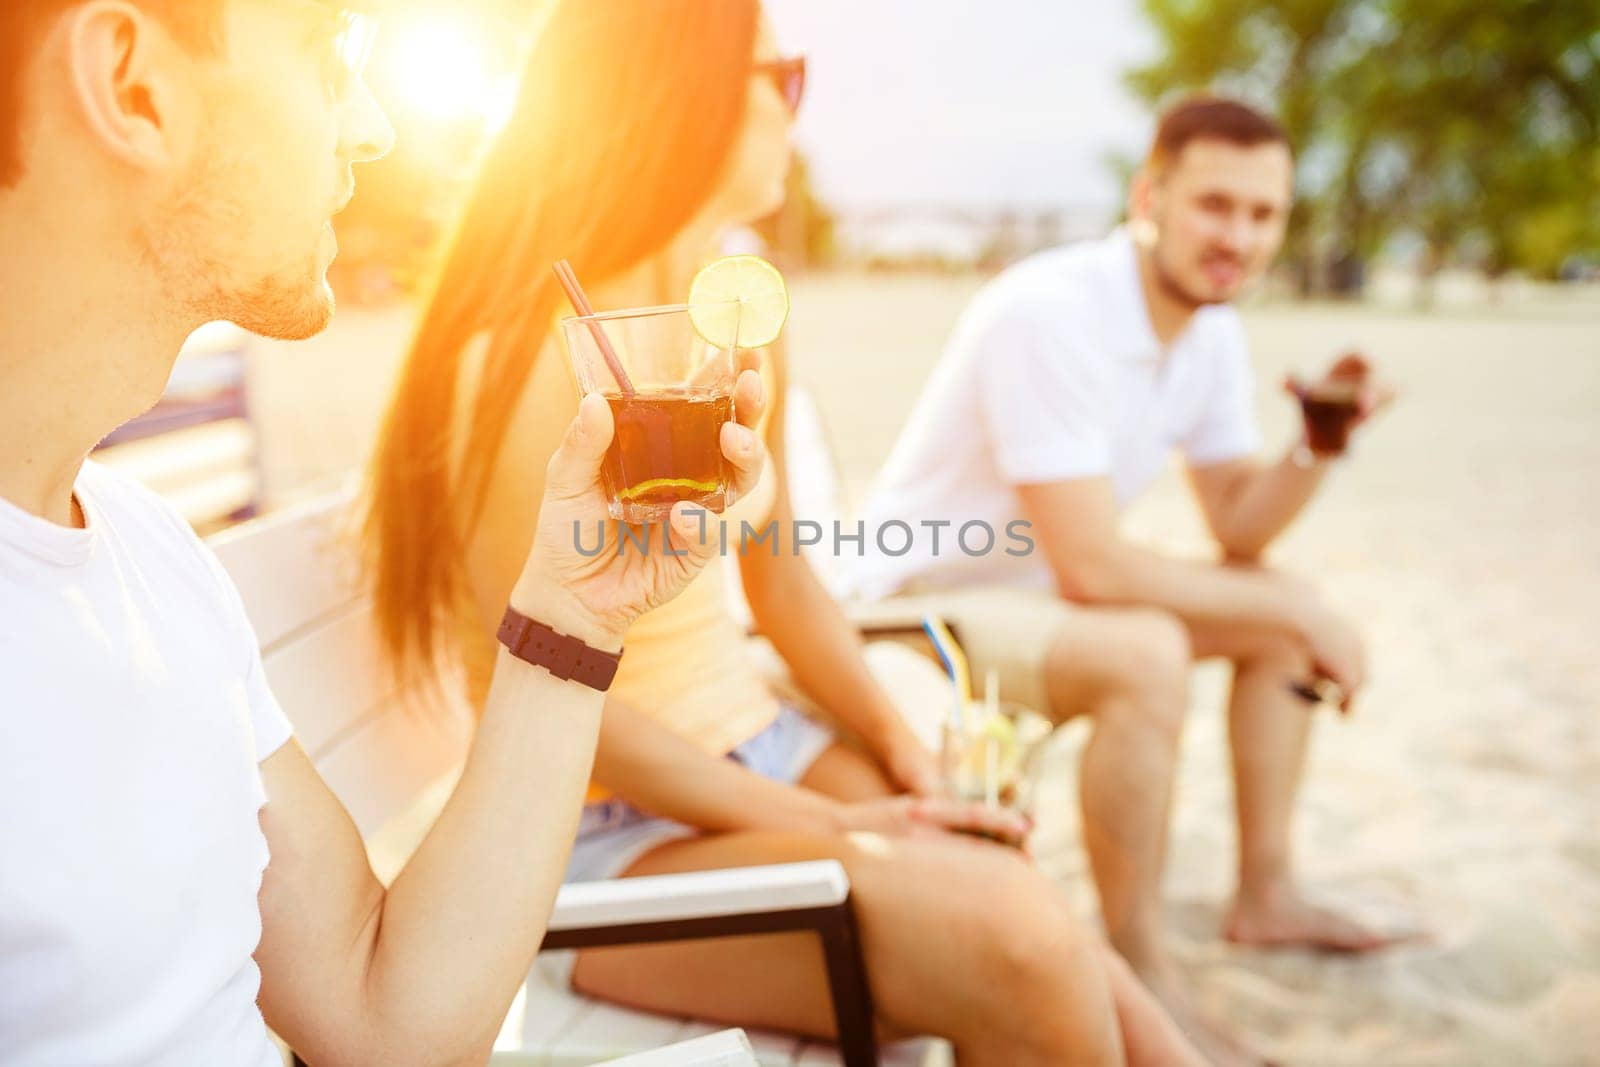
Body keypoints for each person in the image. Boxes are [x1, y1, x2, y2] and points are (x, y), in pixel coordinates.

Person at [364, 2, 1205, 1063]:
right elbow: (547, 689)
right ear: (689, 96)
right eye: (785, 76)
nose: (797, 114)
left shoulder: (736, 312)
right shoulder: (534, 353)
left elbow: (782, 577)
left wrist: (895, 747)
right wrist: (833, 824)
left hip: (763, 742)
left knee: (1013, 882)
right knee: (1021, 942)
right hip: (601, 823)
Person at [0, 1, 769, 1063]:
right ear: (136, 87)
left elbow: (382, 1011)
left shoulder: (146, 551)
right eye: (328, 54)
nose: (372, 128)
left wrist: (574, 611)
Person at [851, 95, 1404, 1062]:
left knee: (1278, 628)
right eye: (1215, 206)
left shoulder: (1210, 329)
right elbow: (1094, 563)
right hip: (908, 613)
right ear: (1150, 196)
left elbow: (1237, 519)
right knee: (1155, 648)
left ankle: (1265, 892)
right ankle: (1140, 958)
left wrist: (1320, 441)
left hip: (1030, 603)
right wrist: (1304, 604)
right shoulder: (1051, 311)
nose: (1239, 236)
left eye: (1263, 215)